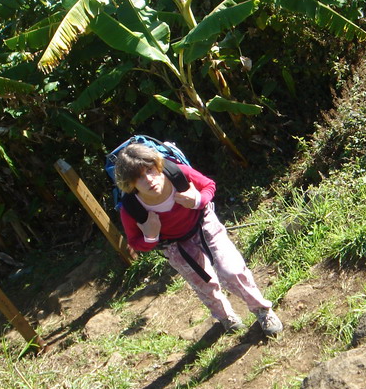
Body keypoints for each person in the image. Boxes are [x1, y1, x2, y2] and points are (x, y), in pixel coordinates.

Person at [114, 143, 283, 336]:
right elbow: (135, 243)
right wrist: (151, 235)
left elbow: (208, 185)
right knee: (204, 284)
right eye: (138, 178)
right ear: (130, 184)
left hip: (203, 223)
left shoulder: (176, 173)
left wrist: (197, 201)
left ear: (158, 164)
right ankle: (226, 317)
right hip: (175, 245)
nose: (148, 180)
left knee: (232, 270)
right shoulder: (131, 208)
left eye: (150, 170)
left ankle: (262, 310)